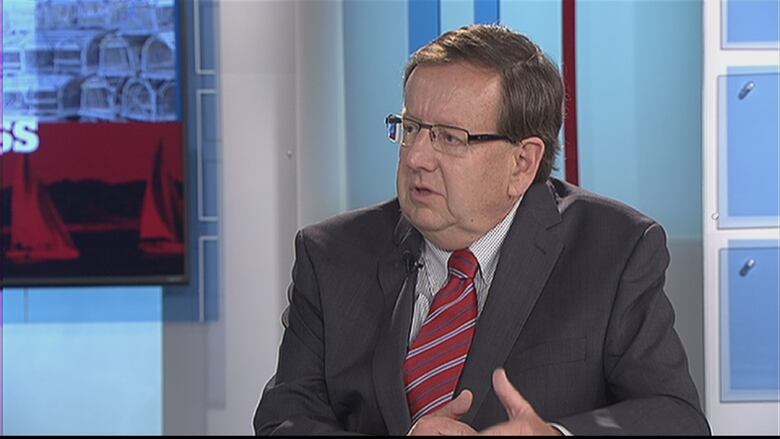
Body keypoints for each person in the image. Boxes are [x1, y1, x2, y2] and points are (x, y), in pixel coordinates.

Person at [253, 24, 710, 436]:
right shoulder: (331, 255)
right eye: (410, 128)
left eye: (449, 138)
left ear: (523, 162)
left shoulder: (614, 250)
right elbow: (284, 421)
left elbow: (676, 418)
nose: (415, 158)